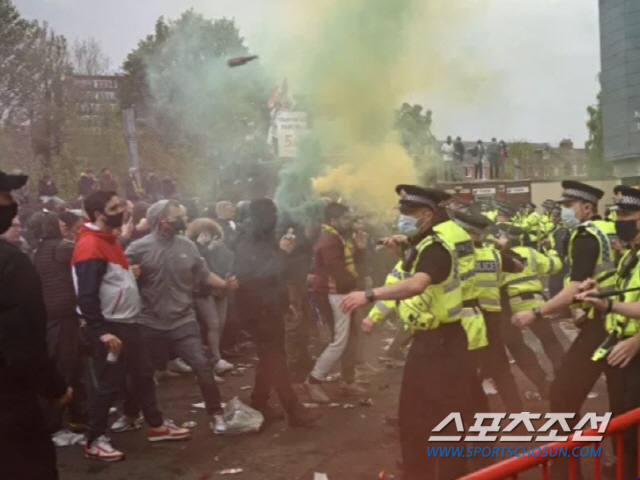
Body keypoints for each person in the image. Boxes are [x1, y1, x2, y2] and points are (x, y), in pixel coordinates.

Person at [342, 185, 469, 480]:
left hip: (441, 344)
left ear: (427, 215)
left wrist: (370, 295)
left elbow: (416, 285)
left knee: (429, 415)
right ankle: (427, 470)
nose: (403, 219)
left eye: (409, 214)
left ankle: (438, 472)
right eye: (401, 213)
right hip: (432, 341)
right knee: (422, 414)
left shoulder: (436, 248)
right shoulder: (422, 246)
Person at [511, 181, 619, 480]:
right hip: (618, 321)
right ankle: (620, 464)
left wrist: (536, 312)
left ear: (587, 207)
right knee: (622, 400)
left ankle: (567, 468)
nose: (564, 212)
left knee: (562, 395)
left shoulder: (585, 236)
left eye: (569, 206)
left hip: (602, 325)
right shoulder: (610, 230)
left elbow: (574, 286)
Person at [73, 191, 189, 462]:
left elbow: (109, 281)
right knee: (108, 383)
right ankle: (94, 440)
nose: (123, 211)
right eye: (115, 207)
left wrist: (128, 276)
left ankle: (156, 425)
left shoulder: (108, 239)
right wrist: (102, 331)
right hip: (112, 326)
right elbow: (86, 294)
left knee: (144, 373)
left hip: (128, 321)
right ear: (99, 214)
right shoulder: (90, 246)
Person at [125, 199, 238, 434]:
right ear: (162, 220)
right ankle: (132, 414)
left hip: (183, 320)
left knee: (202, 366)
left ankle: (216, 414)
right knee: (142, 372)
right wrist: (129, 272)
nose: (184, 220)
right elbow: (118, 275)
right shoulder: (138, 248)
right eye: (179, 216)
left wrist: (225, 285)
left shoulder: (188, 246)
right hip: (149, 321)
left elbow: (204, 274)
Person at [0, 170, 72, 480]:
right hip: (9, 406)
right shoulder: (10, 263)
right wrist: (53, 386)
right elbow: (22, 339)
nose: (13, 203)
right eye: (5, 196)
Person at [234, 199, 321, 426]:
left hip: (271, 307)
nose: (276, 219)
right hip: (257, 310)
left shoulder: (265, 240)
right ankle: (293, 409)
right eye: (271, 214)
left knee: (269, 356)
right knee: (276, 358)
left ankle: (260, 401)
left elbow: (277, 277)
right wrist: (282, 252)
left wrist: (284, 303)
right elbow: (257, 276)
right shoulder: (246, 243)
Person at [575, 185, 640, 479]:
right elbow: (630, 290)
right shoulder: (631, 254)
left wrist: (608, 304)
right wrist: (599, 291)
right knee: (626, 426)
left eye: (626, 214)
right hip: (623, 347)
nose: (619, 220)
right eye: (617, 213)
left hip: (634, 349)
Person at [453, 211, 525, 412]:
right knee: (500, 366)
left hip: (465, 317)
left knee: (462, 367)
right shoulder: (493, 254)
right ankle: (516, 409)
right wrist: (502, 250)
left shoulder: (456, 255)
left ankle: (468, 413)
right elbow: (518, 267)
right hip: (493, 315)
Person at [30, 211, 87, 435]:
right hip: (64, 318)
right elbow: (87, 255)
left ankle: (78, 416)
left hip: (52, 317)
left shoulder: (38, 252)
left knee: (71, 367)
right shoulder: (61, 248)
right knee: (67, 370)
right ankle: (54, 424)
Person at [305, 202, 367, 403]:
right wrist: (358, 288)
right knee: (340, 340)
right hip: (334, 293)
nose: (350, 222)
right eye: (346, 218)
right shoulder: (329, 239)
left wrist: (359, 250)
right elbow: (338, 271)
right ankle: (314, 380)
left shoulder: (334, 236)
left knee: (349, 337)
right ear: (334, 220)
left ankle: (347, 381)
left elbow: (346, 265)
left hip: (340, 292)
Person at [499, 224, 565, 397]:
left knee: (517, 347)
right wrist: (550, 251)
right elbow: (555, 266)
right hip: (535, 303)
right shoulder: (532, 253)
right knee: (550, 342)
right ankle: (566, 380)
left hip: (509, 306)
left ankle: (542, 383)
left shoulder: (498, 256)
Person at [186, 218, 235, 376]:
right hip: (204, 290)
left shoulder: (220, 248)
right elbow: (200, 269)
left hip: (221, 286)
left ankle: (215, 356)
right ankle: (215, 358)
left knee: (219, 324)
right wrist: (205, 248)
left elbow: (229, 259)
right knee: (213, 324)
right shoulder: (194, 248)